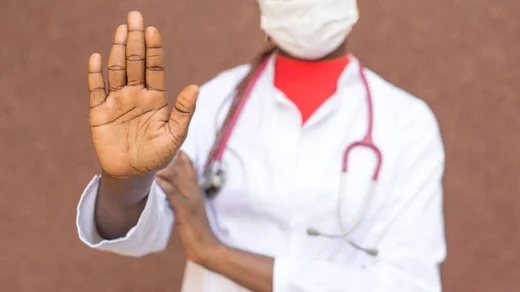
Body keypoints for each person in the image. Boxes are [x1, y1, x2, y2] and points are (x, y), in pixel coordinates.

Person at [79, 0, 447, 291]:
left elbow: (411, 284)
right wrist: (125, 180)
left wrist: (215, 253)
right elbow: (140, 235)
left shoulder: (407, 123)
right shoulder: (212, 102)